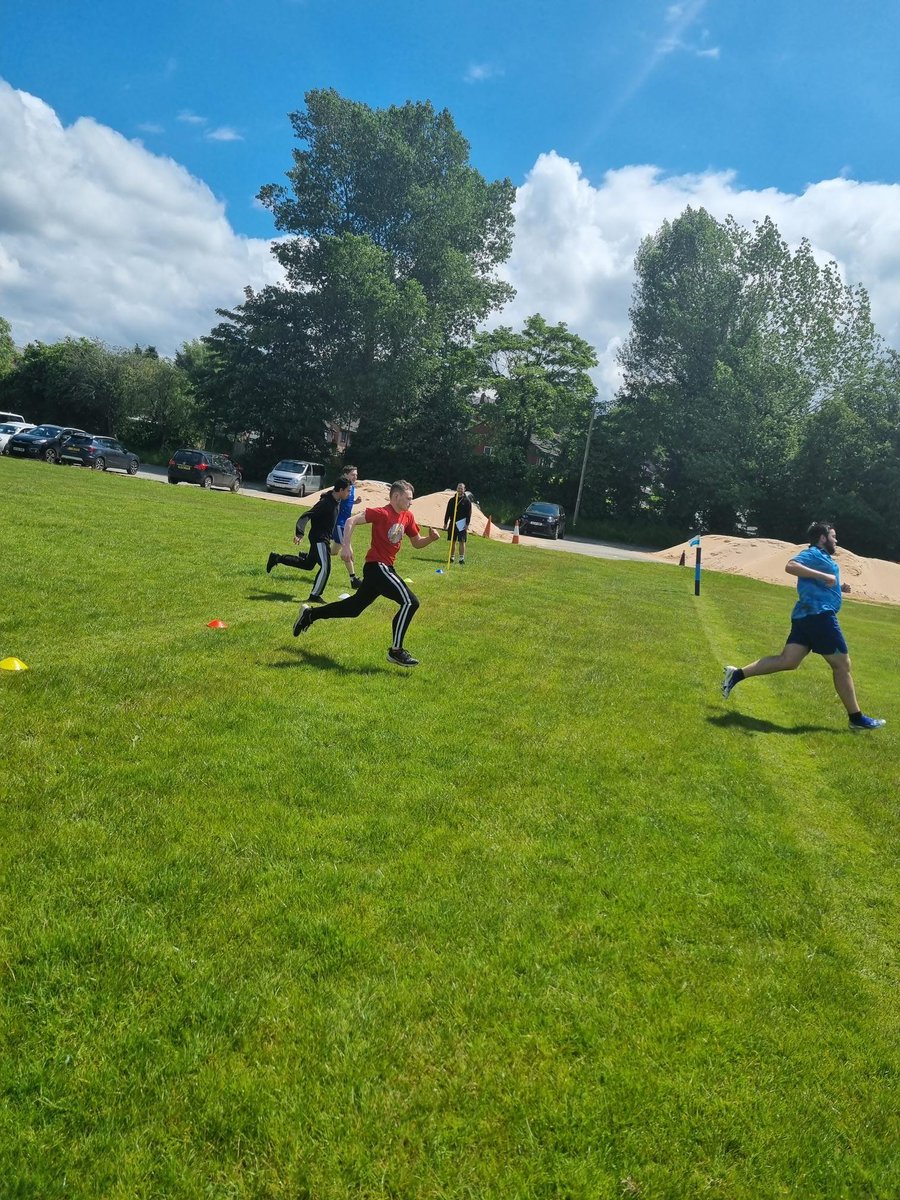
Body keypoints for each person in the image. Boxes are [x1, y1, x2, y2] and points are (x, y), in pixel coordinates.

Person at [721, 522, 885, 731]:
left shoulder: (823, 558)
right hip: (819, 616)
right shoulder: (813, 553)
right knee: (842, 665)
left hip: (805, 616)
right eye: (833, 536)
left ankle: (737, 674)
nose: (836, 540)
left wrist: (839, 586)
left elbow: (820, 583)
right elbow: (791, 566)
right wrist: (824, 576)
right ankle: (856, 718)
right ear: (823, 538)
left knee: (788, 661)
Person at [292, 479, 440, 666]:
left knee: (353, 609)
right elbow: (350, 521)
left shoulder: (407, 516)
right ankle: (396, 651)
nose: (411, 502)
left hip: (385, 568)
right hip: (376, 566)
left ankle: (310, 615)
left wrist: (431, 539)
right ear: (396, 496)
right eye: (408, 498)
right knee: (411, 602)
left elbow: (417, 542)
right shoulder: (381, 513)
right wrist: (346, 546)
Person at [266, 477, 351, 604]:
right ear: (340, 490)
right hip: (319, 539)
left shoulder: (336, 501)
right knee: (326, 568)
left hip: (323, 538)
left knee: (308, 565)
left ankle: (277, 558)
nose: (349, 494)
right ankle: (315, 595)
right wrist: (299, 533)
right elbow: (307, 515)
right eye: (348, 491)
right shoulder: (326, 503)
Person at [331, 464, 363, 589]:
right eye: (353, 474)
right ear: (345, 474)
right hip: (340, 524)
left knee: (333, 552)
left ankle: (312, 554)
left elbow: (346, 502)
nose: (355, 477)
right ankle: (353, 579)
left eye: (356, 475)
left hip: (347, 523)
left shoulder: (352, 487)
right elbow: (335, 498)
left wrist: (355, 502)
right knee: (348, 551)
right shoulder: (341, 487)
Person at [443, 482, 472, 565]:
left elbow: (469, 514)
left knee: (462, 541)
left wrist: (467, 524)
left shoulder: (467, 501)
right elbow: (447, 512)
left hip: (462, 523)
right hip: (453, 522)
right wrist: (445, 522)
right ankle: (451, 557)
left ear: (464, 490)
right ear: (456, 489)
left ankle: (461, 559)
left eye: (461, 488)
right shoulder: (452, 500)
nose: (460, 490)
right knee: (453, 540)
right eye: (458, 488)